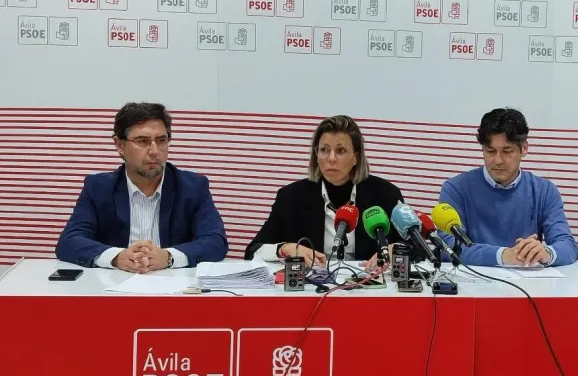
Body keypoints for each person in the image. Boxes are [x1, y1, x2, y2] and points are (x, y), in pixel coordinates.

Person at [55, 102, 229, 272]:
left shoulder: (193, 187)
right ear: (119, 145)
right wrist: (117, 257)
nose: (154, 151)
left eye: (161, 140)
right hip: (114, 284)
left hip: (174, 285)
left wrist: (168, 257)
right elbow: (70, 241)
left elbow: (215, 241)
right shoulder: (98, 188)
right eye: (142, 141)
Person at [245, 115, 405, 266]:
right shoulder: (291, 197)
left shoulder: (386, 195)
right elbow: (253, 251)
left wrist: (397, 250)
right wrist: (285, 249)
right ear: (316, 155)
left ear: (356, 157)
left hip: (369, 283)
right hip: (312, 284)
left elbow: (415, 248)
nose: (331, 158)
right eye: (324, 150)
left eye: (340, 151)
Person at [437, 108, 578, 267]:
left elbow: (567, 245)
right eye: (490, 151)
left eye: (507, 151)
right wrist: (503, 255)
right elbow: (447, 246)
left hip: (528, 280)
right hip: (471, 279)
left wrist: (546, 253)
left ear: (524, 148)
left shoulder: (544, 191)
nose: (498, 160)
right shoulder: (456, 189)